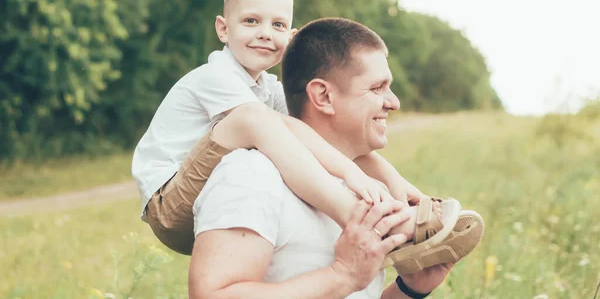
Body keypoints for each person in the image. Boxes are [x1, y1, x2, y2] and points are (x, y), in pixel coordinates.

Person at [131, 0, 471, 270]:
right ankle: (362, 222)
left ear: (290, 36)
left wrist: (403, 191)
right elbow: (268, 124)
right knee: (253, 119)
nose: (265, 32)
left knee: (304, 129)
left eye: (277, 24)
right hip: (168, 204)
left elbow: (300, 132)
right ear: (223, 29)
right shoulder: (216, 76)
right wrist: (348, 172)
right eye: (251, 21)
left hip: (209, 206)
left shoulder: (267, 89)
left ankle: (414, 205)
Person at [188, 17, 485, 298]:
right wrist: (341, 275)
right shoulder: (253, 174)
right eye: (377, 88)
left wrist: (410, 290)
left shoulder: (368, 190)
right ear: (324, 97)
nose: (394, 102)